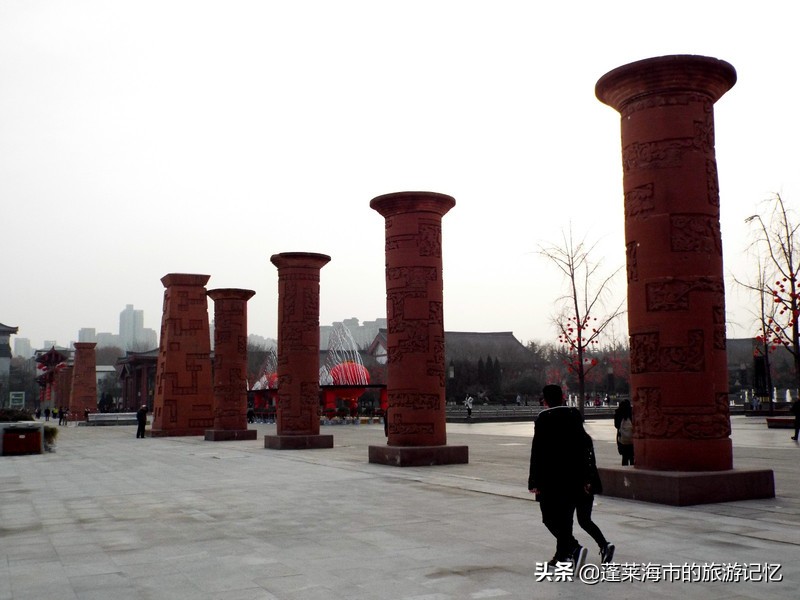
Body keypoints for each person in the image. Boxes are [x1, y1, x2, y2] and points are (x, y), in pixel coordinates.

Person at [528, 384, 590, 571]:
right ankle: (564, 554)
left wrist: (534, 481)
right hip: (574, 476)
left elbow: (537, 452)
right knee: (566, 519)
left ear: (545, 399)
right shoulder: (574, 415)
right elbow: (584, 446)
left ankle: (572, 549)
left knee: (549, 517)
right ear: (562, 396)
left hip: (550, 478)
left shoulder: (543, 418)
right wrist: (587, 476)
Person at [576, 432, 615, 564]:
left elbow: (581, 461)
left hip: (578, 485)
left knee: (569, 521)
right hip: (588, 484)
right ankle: (604, 545)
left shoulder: (573, 438)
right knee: (585, 520)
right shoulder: (585, 437)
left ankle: (570, 551)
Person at [614, 399, 634, 466]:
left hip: (622, 438)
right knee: (632, 457)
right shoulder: (632, 412)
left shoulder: (618, 413)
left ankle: (625, 471)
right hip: (632, 438)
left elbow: (616, 425)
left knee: (624, 457)